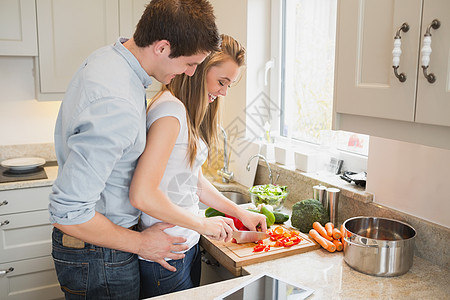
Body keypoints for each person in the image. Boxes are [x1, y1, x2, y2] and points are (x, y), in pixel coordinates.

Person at [48, 0, 221, 299]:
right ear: (162, 47)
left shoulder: (109, 60)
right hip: (100, 253)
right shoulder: (117, 102)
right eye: (190, 63)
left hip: (101, 248)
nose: (191, 73)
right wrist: (141, 244)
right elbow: (68, 213)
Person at [129, 34, 267, 298]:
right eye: (221, 82)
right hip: (167, 253)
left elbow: (192, 180)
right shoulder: (170, 113)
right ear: (199, 69)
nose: (224, 92)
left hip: (184, 246)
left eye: (230, 85)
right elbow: (143, 194)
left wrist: (240, 212)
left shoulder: (182, 111)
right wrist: (203, 225)